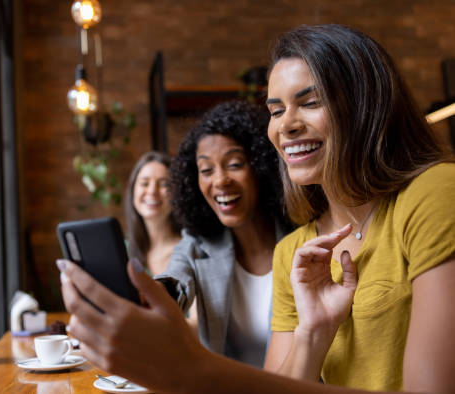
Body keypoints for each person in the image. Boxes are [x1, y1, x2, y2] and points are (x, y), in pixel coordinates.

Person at [57, 24, 455, 394]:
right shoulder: (296, 254)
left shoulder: (432, 193)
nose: (286, 126)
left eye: (310, 102)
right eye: (276, 110)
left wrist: (191, 368)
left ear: (367, 106)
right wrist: (313, 332)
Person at [155, 100, 290, 366]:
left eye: (235, 164)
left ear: (261, 166)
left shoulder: (299, 239)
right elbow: (175, 280)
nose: (220, 180)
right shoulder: (199, 243)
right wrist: (154, 292)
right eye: (206, 170)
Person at [125, 151, 181, 276]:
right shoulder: (122, 251)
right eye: (144, 183)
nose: (152, 191)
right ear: (133, 191)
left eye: (163, 184)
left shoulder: (192, 250)